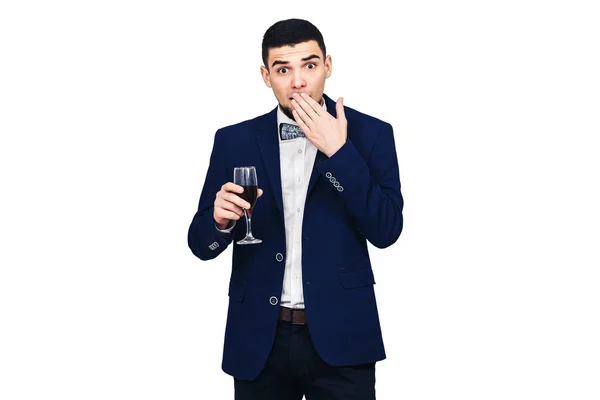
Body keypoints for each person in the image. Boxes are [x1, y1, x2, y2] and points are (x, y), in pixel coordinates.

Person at [188, 18, 403, 400]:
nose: (298, 81)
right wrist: (219, 223)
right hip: (258, 340)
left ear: (328, 66)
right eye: (283, 69)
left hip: (343, 337)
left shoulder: (372, 135)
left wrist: (338, 152)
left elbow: (386, 230)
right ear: (265, 76)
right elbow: (199, 243)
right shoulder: (233, 140)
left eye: (309, 65)